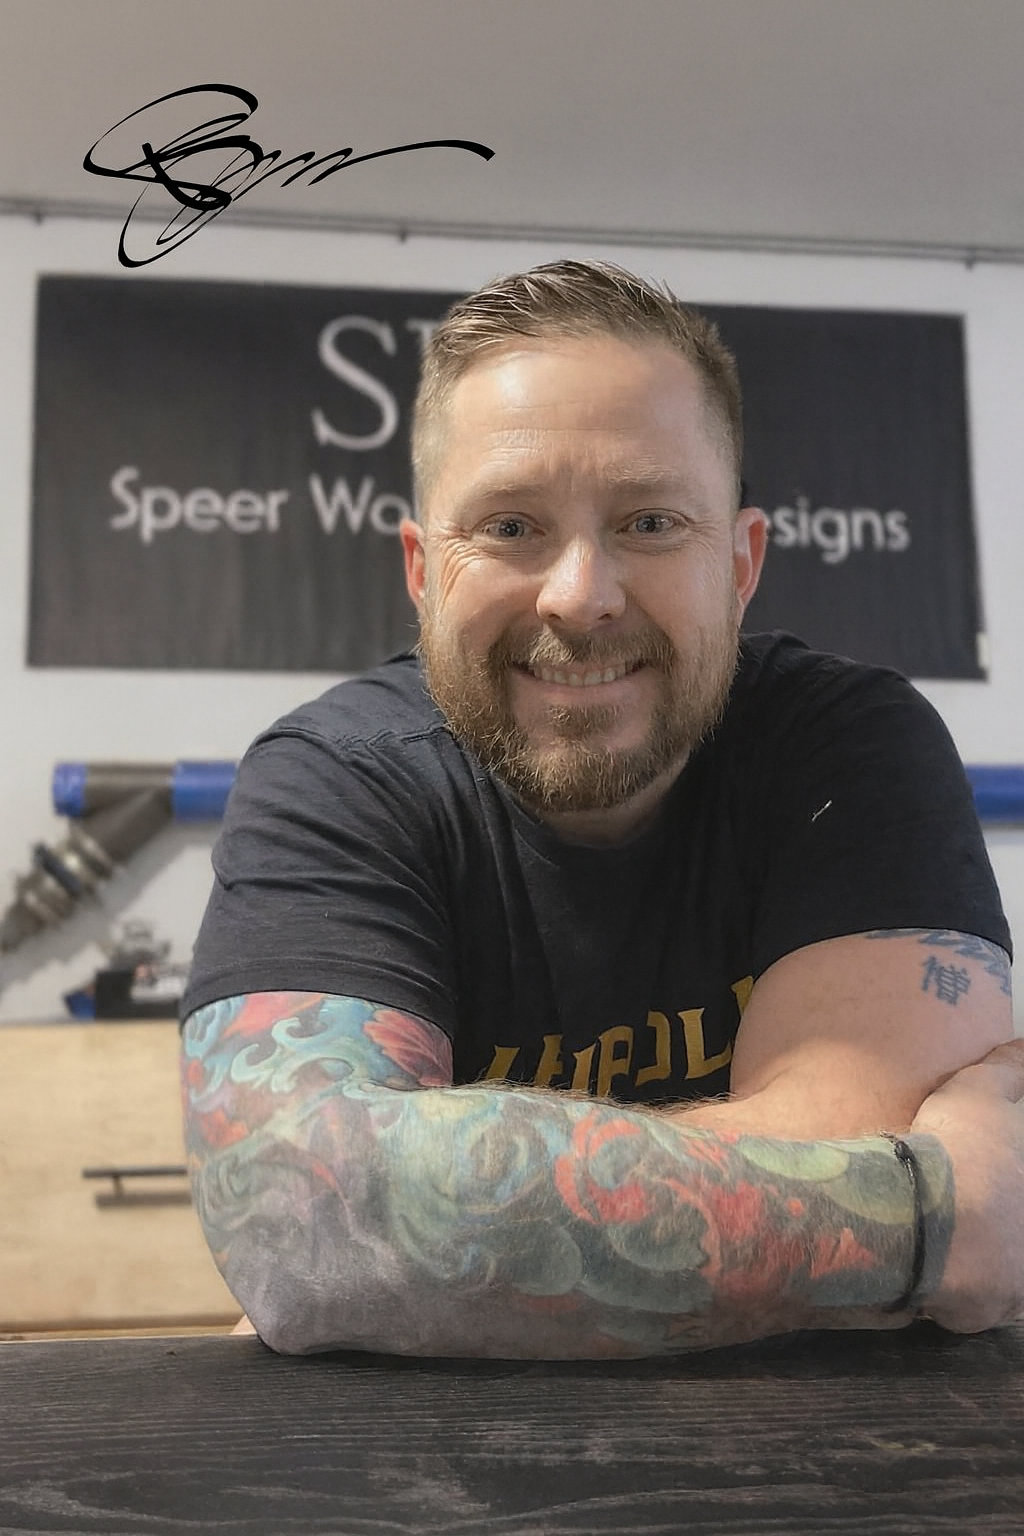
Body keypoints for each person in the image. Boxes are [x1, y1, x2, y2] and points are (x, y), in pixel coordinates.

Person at [180, 259, 1021, 1358]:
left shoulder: (849, 748)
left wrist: (423, 1244)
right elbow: (305, 1223)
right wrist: (922, 1221)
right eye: (513, 526)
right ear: (424, 572)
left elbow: (360, 1233)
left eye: (651, 522)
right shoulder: (334, 778)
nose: (581, 594)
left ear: (741, 562)